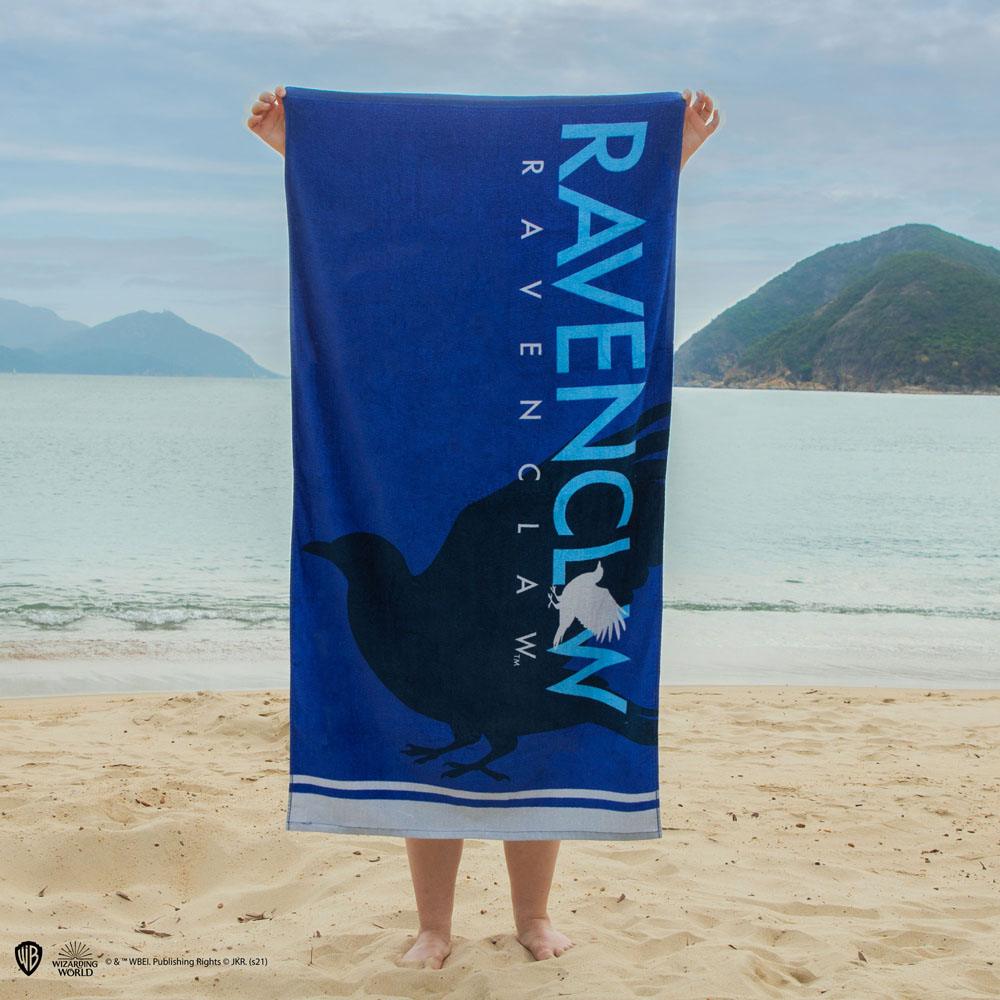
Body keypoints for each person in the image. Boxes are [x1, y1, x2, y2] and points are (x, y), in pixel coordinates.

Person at [246, 83, 721, 970]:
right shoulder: (430, 308)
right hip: (434, 464)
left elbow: (609, 224)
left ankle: (532, 917)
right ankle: (435, 925)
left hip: (532, 463)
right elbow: (375, 226)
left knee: (538, 737)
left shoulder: (547, 299)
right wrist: (297, 149)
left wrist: (670, 155)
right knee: (430, 753)